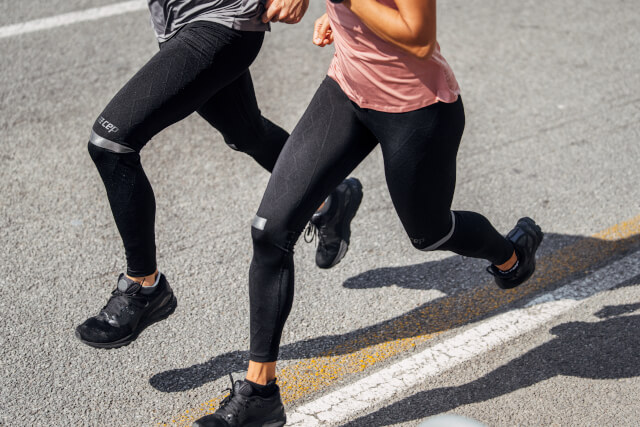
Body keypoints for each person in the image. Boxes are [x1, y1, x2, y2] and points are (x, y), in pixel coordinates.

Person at [193, 0, 543, 425]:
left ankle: (511, 257)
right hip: (346, 89)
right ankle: (260, 393)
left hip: (416, 110)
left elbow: (418, 35)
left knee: (428, 233)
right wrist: (340, 17)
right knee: (270, 231)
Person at [75, 0, 365, 350]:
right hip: (177, 22)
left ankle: (143, 286)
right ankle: (328, 199)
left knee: (111, 143)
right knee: (247, 134)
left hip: (222, 19)